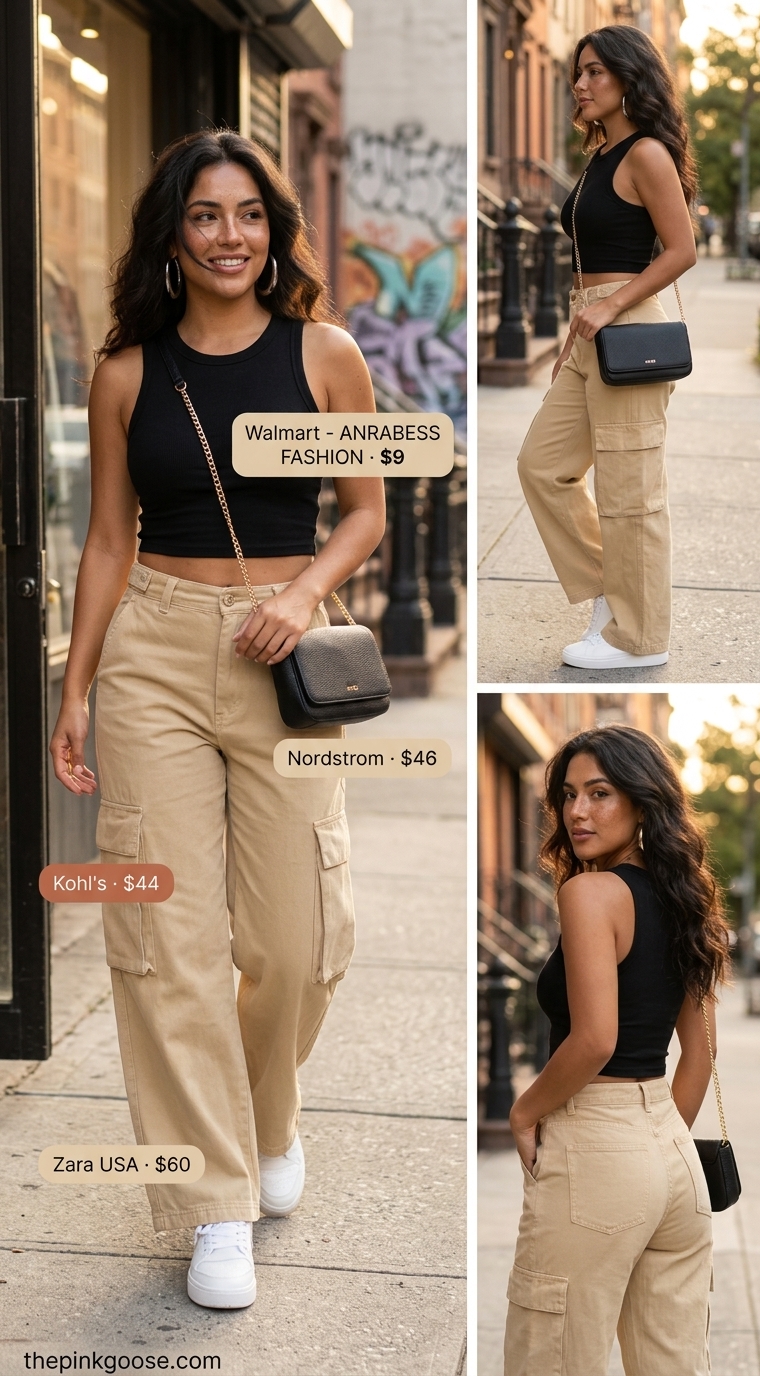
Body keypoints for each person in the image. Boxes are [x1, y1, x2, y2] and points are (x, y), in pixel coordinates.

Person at [49, 130, 385, 1310]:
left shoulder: (324, 352)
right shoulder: (129, 372)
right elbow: (104, 540)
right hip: (152, 648)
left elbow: (364, 509)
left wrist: (298, 595)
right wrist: (78, 684)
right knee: (167, 943)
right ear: (174, 234)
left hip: (283, 650)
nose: (230, 235)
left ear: (273, 228)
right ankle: (212, 1200)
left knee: (294, 941)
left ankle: (265, 1115)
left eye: (249, 213)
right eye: (205, 215)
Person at [504, 724, 731, 1376]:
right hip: (674, 1162)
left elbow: (596, 1040)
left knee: (549, 1359)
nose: (577, 811)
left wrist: (525, 1111)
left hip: (598, 1152)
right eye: (569, 794)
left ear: (642, 801)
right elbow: (700, 1055)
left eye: (600, 793)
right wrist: (656, 1149)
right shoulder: (693, 903)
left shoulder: (590, 893)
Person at [516, 27, 698, 671]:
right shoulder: (603, 154)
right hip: (590, 323)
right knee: (542, 465)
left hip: (627, 323)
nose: (581, 84)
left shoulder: (646, 153)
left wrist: (610, 307)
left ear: (629, 77)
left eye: (594, 72)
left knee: (631, 492)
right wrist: (580, 319)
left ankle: (640, 639)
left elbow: (682, 250)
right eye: (578, 73)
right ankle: (610, 593)